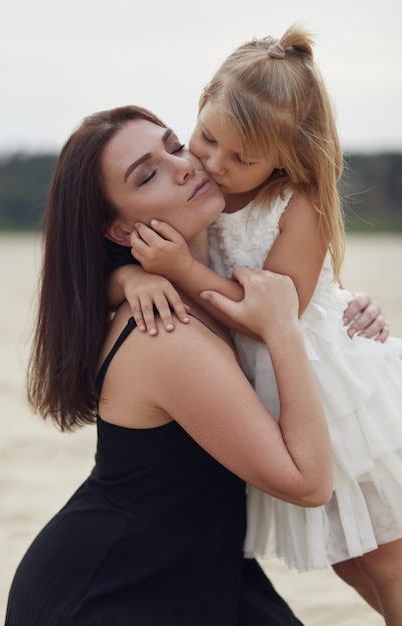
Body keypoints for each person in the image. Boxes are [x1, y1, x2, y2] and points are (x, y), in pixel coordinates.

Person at [114, 26, 402, 624]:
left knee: (390, 563)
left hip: (332, 393)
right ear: (199, 108)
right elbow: (102, 263)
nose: (214, 165)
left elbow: (271, 312)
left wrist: (181, 269)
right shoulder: (196, 189)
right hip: (274, 405)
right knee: (349, 562)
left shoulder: (302, 200)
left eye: (242, 159)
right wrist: (131, 280)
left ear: (283, 156)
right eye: (206, 138)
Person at [5, 105, 334, 626]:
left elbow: (299, 294)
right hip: (112, 593)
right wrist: (282, 330)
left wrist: (353, 312)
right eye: (149, 174)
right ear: (120, 229)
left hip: (199, 568)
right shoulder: (166, 332)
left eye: (176, 145)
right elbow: (308, 483)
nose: (184, 166)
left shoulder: (199, 280)